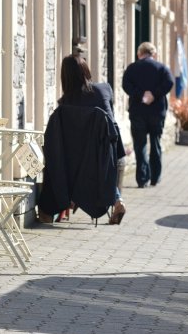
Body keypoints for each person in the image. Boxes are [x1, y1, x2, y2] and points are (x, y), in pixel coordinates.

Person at [38, 52, 127, 225]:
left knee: (68, 161)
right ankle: (117, 200)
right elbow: (111, 123)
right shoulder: (104, 89)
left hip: (78, 162)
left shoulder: (65, 105)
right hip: (105, 155)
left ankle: (56, 205)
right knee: (104, 163)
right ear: (86, 70)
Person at [122, 42, 174, 188]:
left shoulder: (132, 68)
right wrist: (154, 94)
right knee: (156, 143)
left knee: (140, 145)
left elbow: (125, 84)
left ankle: (142, 178)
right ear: (154, 54)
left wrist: (140, 94)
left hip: (138, 111)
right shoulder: (162, 68)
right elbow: (169, 82)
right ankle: (155, 177)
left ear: (139, 54)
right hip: (157, 111)